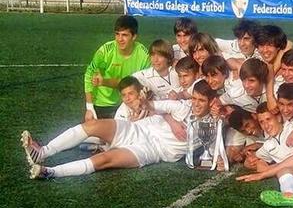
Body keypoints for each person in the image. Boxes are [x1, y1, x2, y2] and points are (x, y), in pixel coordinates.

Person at [21, 80, 217, 179]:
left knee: (105, 160)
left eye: (202, 100)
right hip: (138, 129)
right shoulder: (182, 107)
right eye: (195, 99)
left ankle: (50, 172)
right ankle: (43, 152)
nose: (197, 104)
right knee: (93, 125)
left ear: (212, 102)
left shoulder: (212, 126)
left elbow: (214, 151)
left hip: (152, 151)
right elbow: (153, 105)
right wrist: (171, 120)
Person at [84, 15, 150, 121]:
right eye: (117, 34)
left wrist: (104, 81)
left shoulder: (143, 54)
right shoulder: (105, 51)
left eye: (124, 35)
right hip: (103, 104)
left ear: (134, 37)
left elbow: (145, 83)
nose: (120, 39)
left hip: (129, 103)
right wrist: (89, 107)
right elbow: (89, 75)